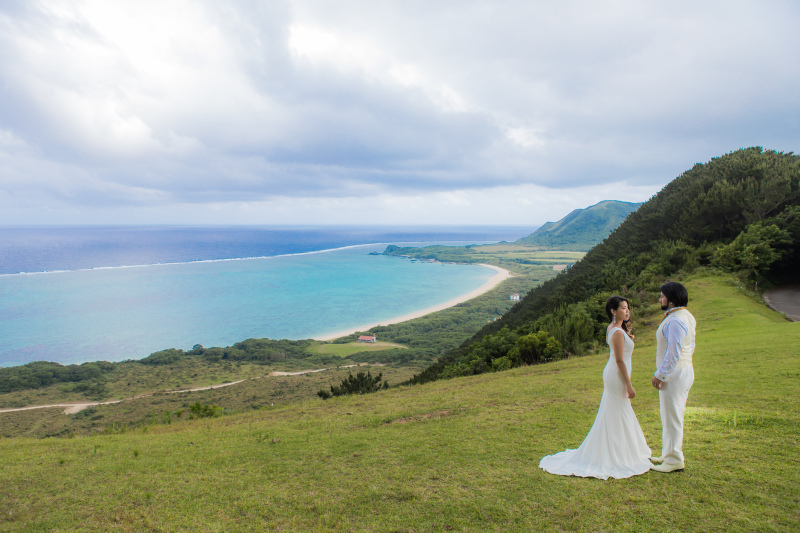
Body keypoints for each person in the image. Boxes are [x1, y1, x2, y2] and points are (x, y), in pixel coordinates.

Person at [539, 296, 652, 479]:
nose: (627, 311)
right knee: (616, 411)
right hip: (616, 376)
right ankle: (614, 453)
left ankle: (623, 450)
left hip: (615, 374)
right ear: (613, 311)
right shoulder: (616, 332)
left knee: (618, 411)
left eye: (628, 308)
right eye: (623, 308)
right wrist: (629, 385)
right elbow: (619, 360)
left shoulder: (616, 328)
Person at [650, 281, 696, 473]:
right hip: (683, 370)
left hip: (675, 373)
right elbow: (689, 346)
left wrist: (661, 374)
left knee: (673, 416)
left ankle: (675, 459)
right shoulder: (684, 315)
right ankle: (667, 453)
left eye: (662, 296)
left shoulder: (676, 320)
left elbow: (674, 350)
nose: (660, 299)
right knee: (668, 415)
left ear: (670, 300)